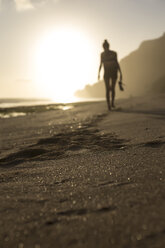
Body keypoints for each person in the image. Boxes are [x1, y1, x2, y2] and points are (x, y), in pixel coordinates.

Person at [98, 39, 122, 110]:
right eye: (104, 47)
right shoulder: (102, 54)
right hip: (107, 73)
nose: (105, 48)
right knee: (108, 89)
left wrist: (120, 73)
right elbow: (101, 64)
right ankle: (109, 105)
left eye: (106, 46)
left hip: (113, 72)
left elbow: (117, 63)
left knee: (112, 89)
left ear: (108, 46)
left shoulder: (114, 53)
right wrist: (98, 73)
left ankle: (112, 103)